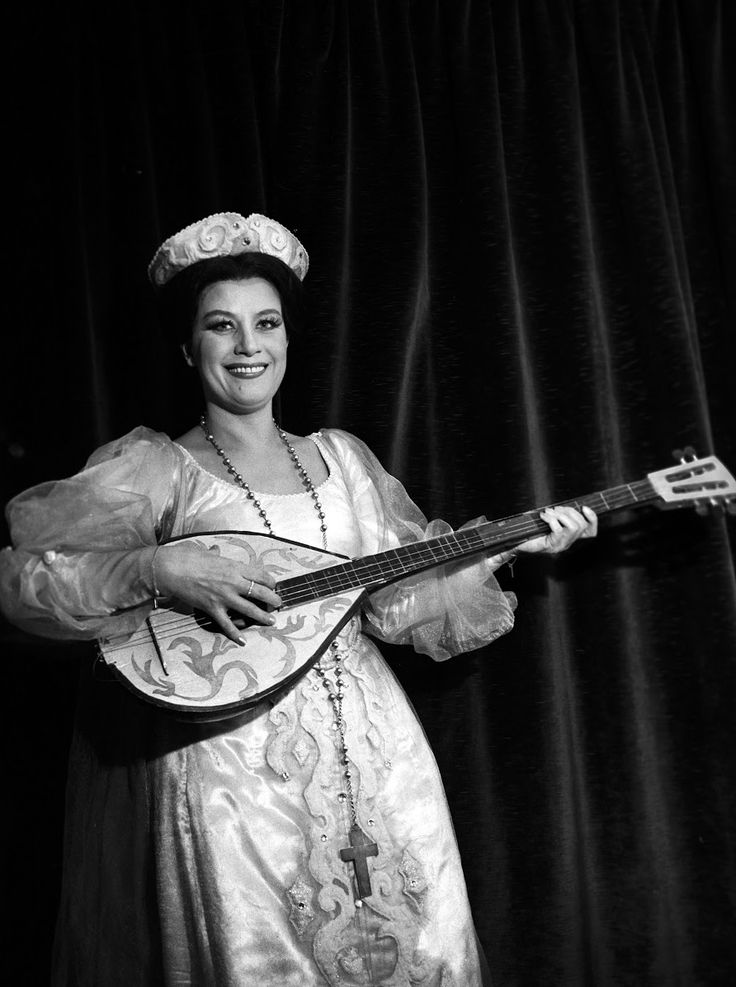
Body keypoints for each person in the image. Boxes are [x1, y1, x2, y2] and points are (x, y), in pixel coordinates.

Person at [0, 212, 597, 986]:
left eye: (267, 323)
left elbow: (393, 605)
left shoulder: (344, 461)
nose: (249, 346)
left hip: (378, 755)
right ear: (189, 347)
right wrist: (156, 568)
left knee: (423, 946)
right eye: (222, 326)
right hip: (228, 762)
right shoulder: (155, 468)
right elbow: (23, 585)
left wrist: (511, 543)